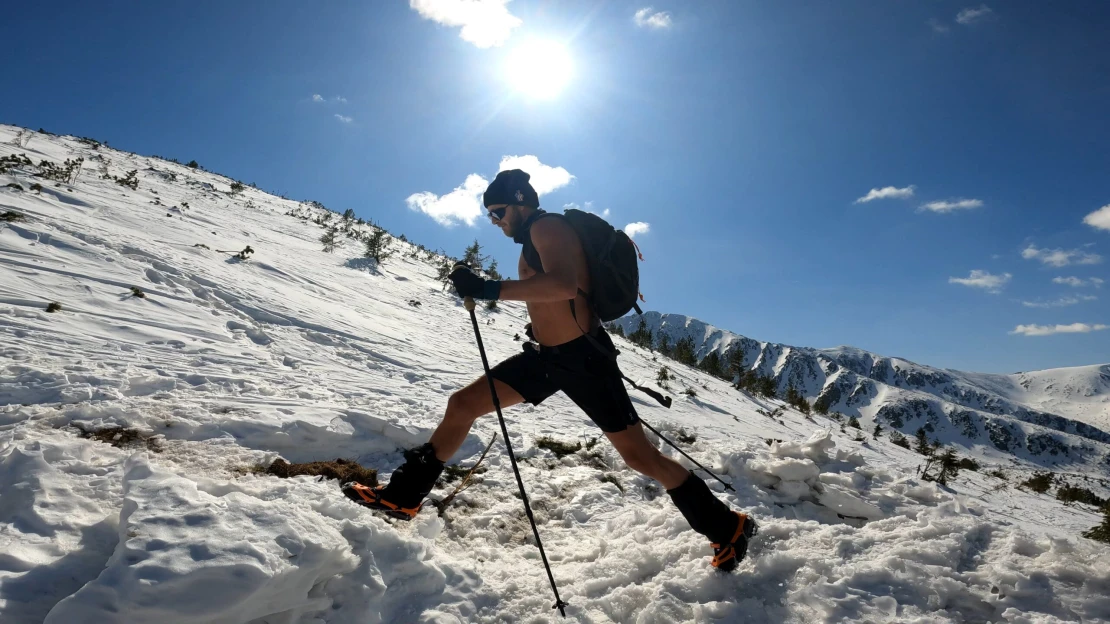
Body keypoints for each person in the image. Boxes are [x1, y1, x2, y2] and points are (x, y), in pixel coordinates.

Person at [343, 169, 757, 571]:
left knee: (640, 457)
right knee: (464, 403)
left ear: (519, 205)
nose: (496, 222)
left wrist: (490, 289)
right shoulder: (535, 238)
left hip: (584, 361)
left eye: (498, 212)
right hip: (547, 359)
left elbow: (562, 285)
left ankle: (728, 527)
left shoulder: (547, 228)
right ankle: (403, 496)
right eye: (491, 215)